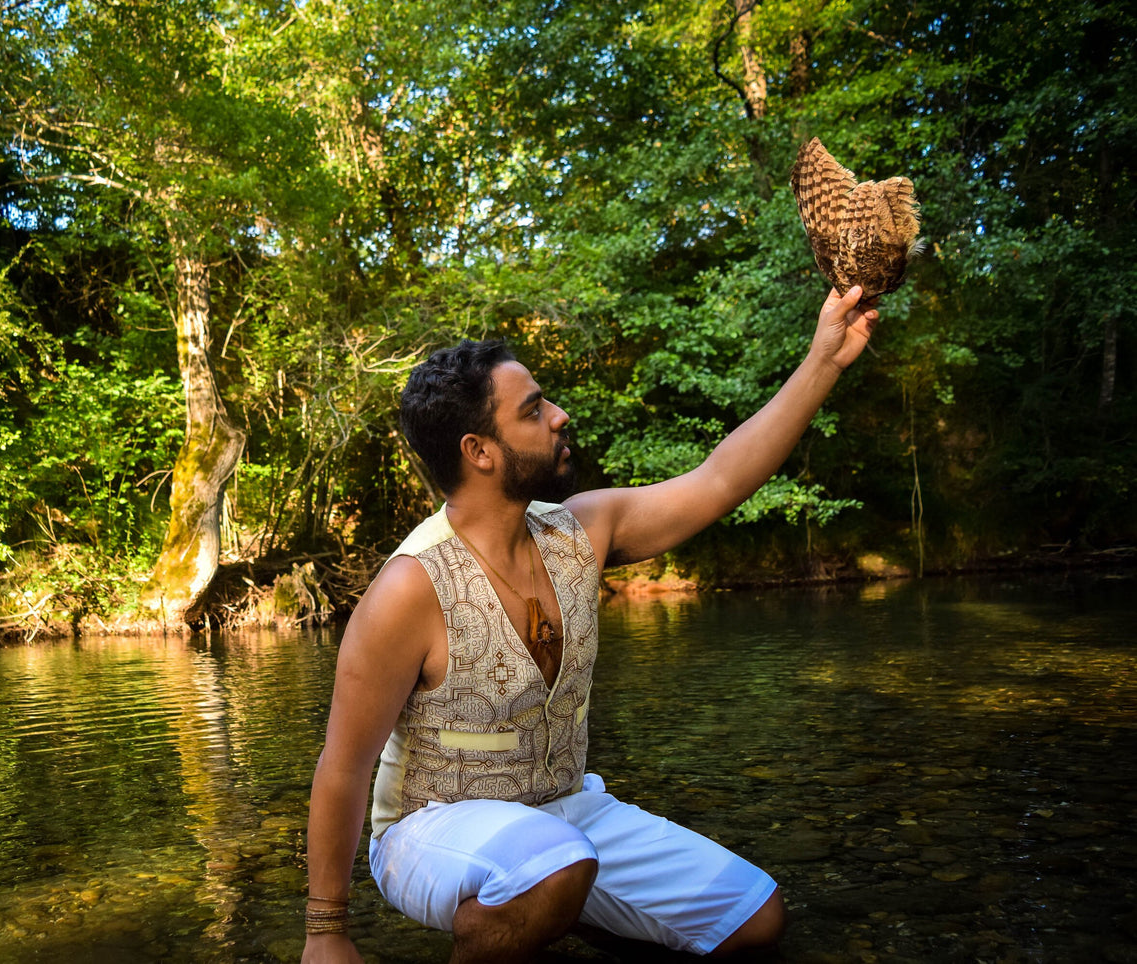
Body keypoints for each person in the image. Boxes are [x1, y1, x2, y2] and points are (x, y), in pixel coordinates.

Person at [302, 286, 878, 962]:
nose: (558, 415)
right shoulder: (410, 587)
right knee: (550, 865)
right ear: (479, 451)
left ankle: (559, 908)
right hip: (428, 832)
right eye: (533, 410)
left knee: (751, 919)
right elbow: (343, 767)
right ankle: (538, 902)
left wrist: (824, 361)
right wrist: (326, 933)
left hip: (563, 816)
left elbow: (720, 479)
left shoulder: (584, 530)